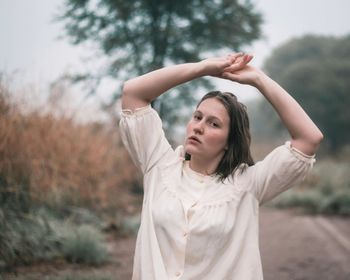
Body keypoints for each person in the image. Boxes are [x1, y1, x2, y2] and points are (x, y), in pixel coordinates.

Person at [119, 53, 323, 280]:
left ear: (229, 142)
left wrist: (259, 80)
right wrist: (203, 68)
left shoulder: (248, 185)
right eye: (197, 117)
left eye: (213, 124)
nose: (198, 127)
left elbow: (309, 139)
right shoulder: (158, 165)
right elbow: (133, 92)